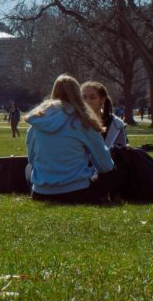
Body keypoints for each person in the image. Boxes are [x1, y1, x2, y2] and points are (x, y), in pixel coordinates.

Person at [24, 74, 116, 204]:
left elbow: (32, 159)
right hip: (76, 192)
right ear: (78, 93)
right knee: (115, 172)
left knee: (28, 168)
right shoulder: (83, 122)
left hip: (41, 192)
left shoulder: (37, 122)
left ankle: (43, 189)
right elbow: (105, 165)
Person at [82, 81, 127, 148]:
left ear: (102, 99)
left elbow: (122, 153)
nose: (87, 101)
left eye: (92, 97)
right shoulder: (72, 121)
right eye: (84, 97)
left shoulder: (115, 124)